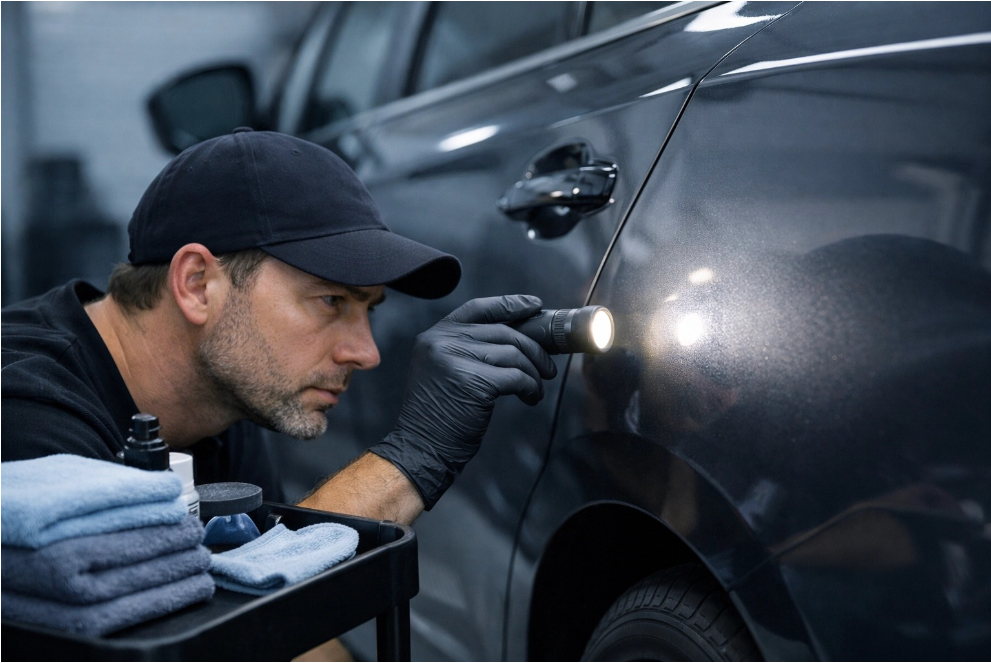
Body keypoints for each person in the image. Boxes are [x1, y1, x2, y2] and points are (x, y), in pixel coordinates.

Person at [1, 129, 557, 526]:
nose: (366, 353)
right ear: (197, 284)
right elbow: (184, 636)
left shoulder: (220, 395)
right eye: (330, 299)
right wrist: (418, 453)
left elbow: (290, 630)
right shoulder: (25, 411)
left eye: (370, 309)